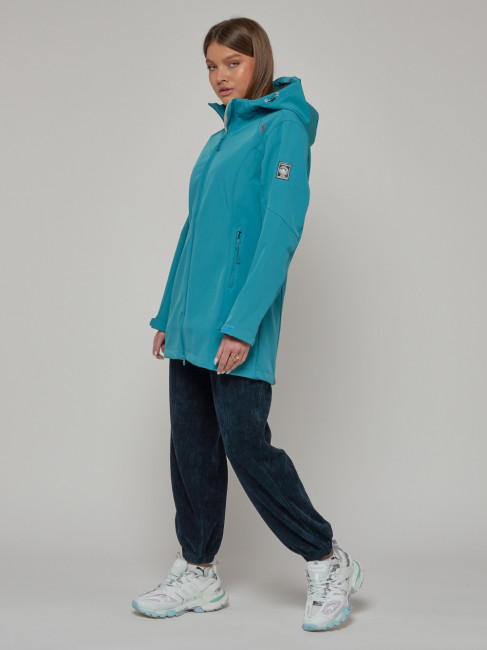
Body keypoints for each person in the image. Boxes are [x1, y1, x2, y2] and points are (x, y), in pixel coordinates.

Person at [132, 17, 363, 631]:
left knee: (245, 444)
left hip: (237, 323)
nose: (220, 76)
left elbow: (279, 232)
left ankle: (326, 557)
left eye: (231, 63)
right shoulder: (218, 141)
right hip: (191, 324)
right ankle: (198, 570)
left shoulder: (281, 128)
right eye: (211, 66)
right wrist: (169, 312)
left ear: (258, 60)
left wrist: (241, 324)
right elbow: (194, 232)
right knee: (191, 446)